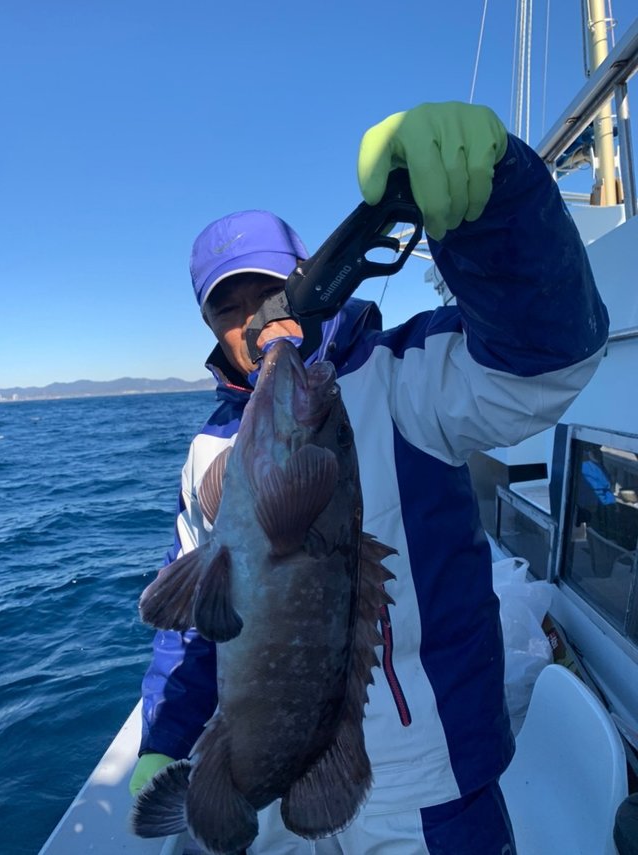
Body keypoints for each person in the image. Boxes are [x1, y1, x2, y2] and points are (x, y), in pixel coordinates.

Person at [130, 101, 609, 854]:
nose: (256, 315)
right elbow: (193, 625)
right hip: (282, 775)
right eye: (230, 304)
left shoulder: (401, 375)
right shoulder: (205, 451)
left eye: (271, 287)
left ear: (309, 275)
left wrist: (499, 203)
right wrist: (164, 732)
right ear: (210, 325)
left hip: (430, 786)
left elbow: (546, 360)